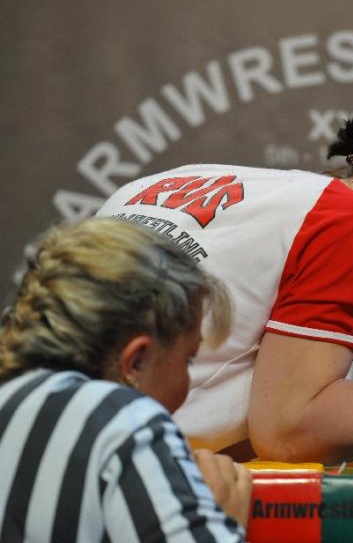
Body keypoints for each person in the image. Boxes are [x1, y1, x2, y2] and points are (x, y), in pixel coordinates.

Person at [96, 120, 353, 464]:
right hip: (116, 473)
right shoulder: (352, 221)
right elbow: (288, 429)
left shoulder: (178, 178)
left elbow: (237, 425)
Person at [0, 218, 251, 542]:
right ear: (136, 361)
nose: (188, 383)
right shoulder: (122, 420)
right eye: (188, 358)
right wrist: (218, 520)